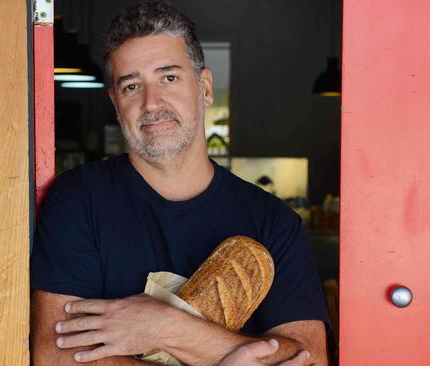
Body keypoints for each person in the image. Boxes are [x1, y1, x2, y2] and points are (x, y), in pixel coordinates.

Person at [31, 2, 329, 365]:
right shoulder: (77, 201)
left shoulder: (274, 223)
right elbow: (55, 357)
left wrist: (168, 326)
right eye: (131, 86)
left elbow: (308, 358)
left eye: (168, 78)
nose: (151, 103)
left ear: (204, 88)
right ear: (115, 102)